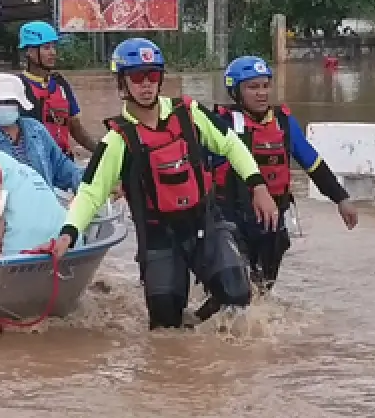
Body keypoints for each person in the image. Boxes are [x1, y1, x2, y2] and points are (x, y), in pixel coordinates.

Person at [42, 38, 281, 330]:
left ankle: (205, 324)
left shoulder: (189, 113)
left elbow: (231, 144)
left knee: (237, 294)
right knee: (165, 327)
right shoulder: (117, 140)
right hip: (159, 236)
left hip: (205, 223)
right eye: (137, 77)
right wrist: (67, 235)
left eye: (153, 75)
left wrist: (258, 187)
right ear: (122, 83)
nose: (146, 84)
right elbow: (90, 193)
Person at [211, 55, 358, 293]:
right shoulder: (220, 125)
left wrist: (341, 199)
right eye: (253, 87)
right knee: (236, 289)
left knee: (262, 289)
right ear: (236, 92)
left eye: (265, 86)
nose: (261, 93)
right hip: (232, 219)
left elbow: (313, 163)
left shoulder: (283, 123)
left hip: (272, 221)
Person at [17, 21, 100, 156]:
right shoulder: (17, 87)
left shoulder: (60, 85)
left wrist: (100, 151)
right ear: (30, 51)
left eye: (53, 47)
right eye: (46, 48)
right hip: (35, 161)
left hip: (63, 160)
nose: (53, 53)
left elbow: (75, 128)